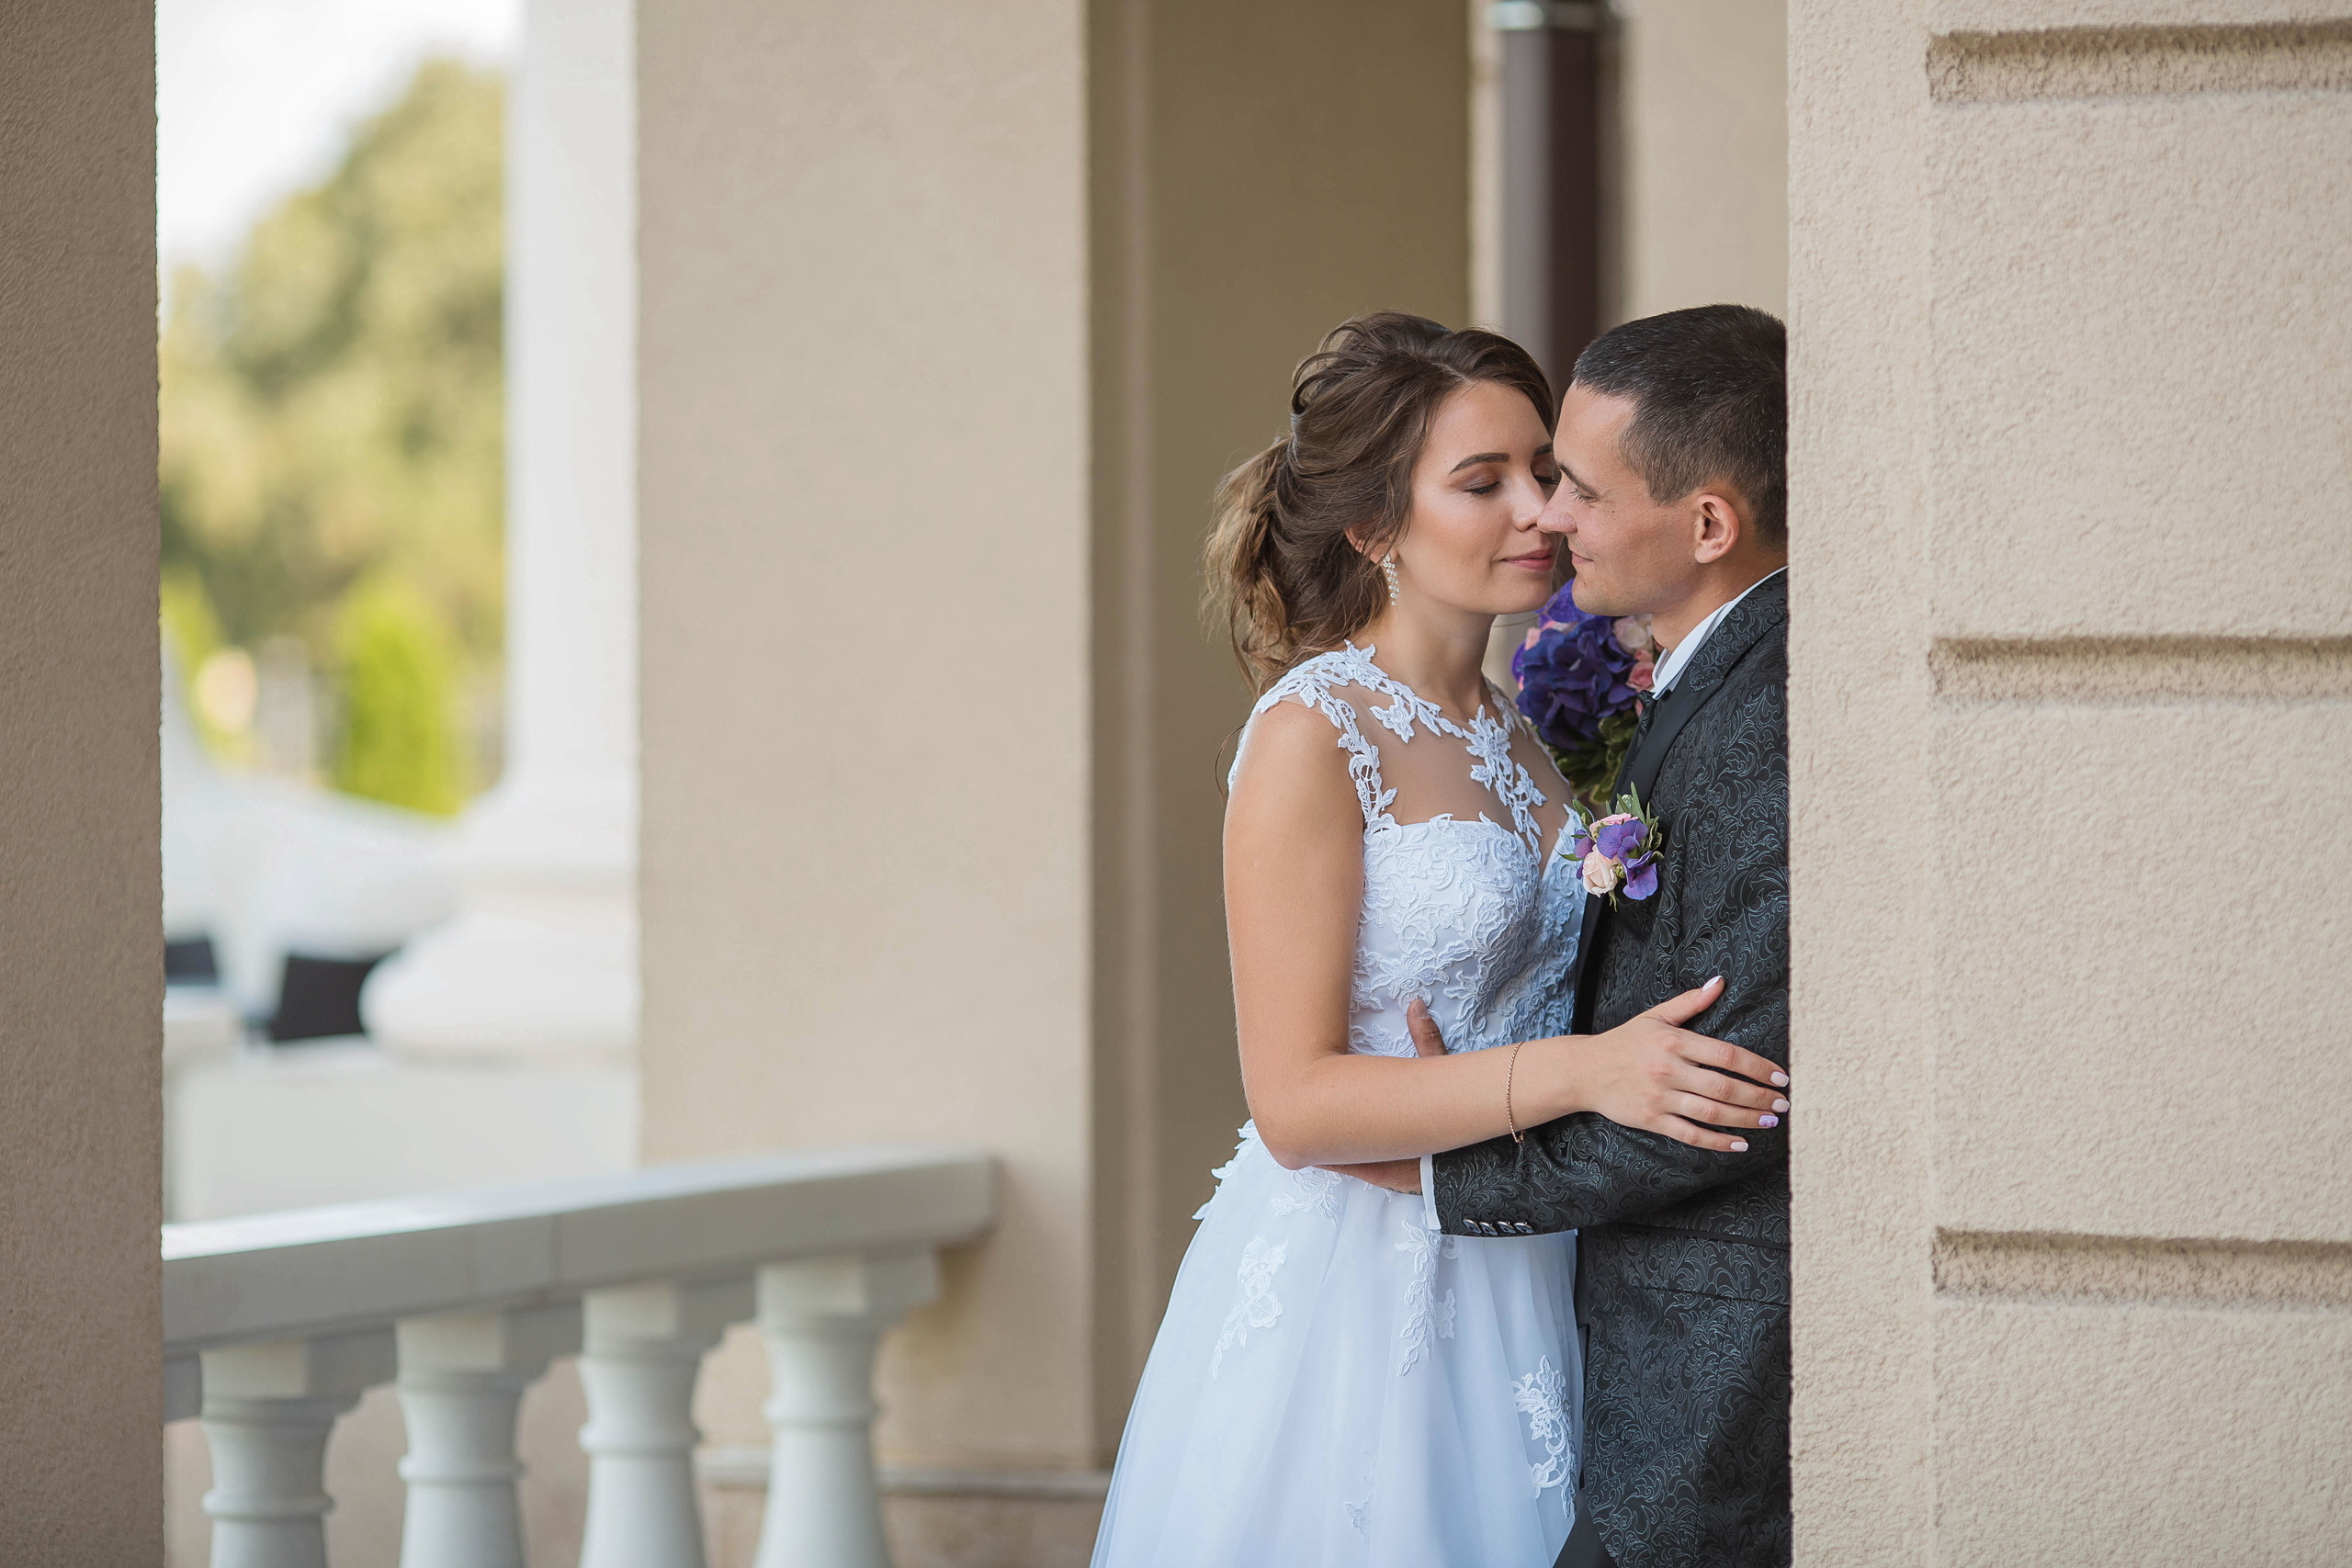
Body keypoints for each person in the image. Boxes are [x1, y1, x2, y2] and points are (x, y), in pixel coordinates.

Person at [1087, 313, 1787, 1567]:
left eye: (1549, 474)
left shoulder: (1531, 734)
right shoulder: (1313, 733)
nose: (1540, 512)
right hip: (1365, 1276)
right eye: (1484, 484)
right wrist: (1585, 1070)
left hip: (1530, 1258)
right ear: (1373, 528)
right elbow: (1296, 1103)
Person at [1371, 303, 1794, 1568]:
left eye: (1578, 488)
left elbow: (1732, 1084)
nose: (1549, 518)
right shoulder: (1692, 680)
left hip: (1706, 1360)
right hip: (1572, 1310)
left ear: (1708, 524)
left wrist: (1443, 1166)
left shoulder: (1769, 714)